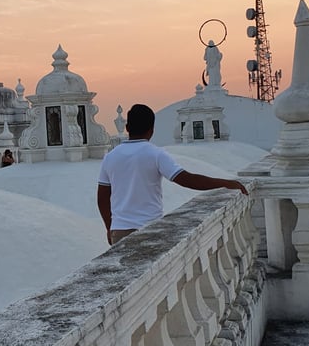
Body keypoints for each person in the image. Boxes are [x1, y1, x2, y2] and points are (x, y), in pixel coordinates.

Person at [97, 104, 247, 245]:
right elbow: (188, 180)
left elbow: (102, 197)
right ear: (152, 129)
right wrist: (226, 183)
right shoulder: (155, 154)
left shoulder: (110, 157)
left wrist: (110, 227)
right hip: (150, 229)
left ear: (127, 127)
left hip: (119, 231)